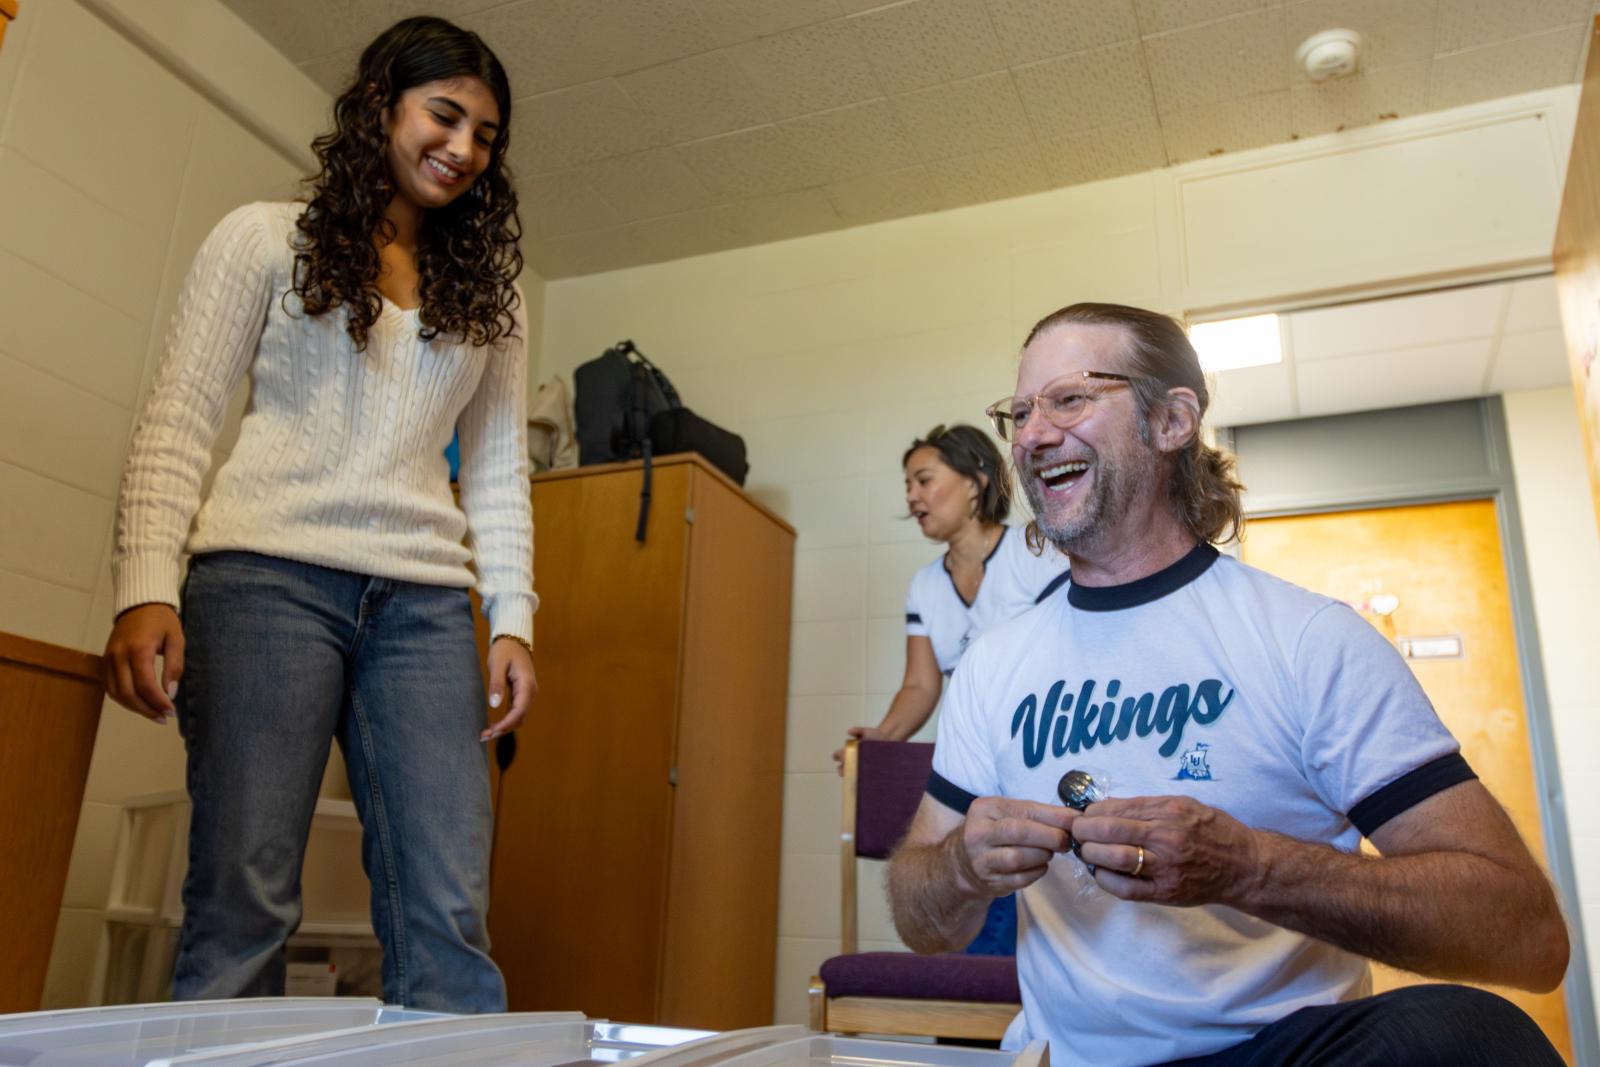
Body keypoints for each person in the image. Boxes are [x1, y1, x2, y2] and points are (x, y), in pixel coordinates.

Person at [885, 302, 1569, 1065]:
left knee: (1472, 1034)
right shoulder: (992, 666)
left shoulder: (1308, 640)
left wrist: (1251, 866)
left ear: (1172, 420)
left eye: (1069, 399)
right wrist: (960, 865)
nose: (1033, 435)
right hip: (1074, 1058)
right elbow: (920, 919)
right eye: (1019, 414)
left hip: (1280, 1050)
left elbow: (1528, 937)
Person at [101, 17, 533, 1012]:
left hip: (425, 604)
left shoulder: (492, 299)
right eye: (444, 115)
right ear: (381, 104)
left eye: (485, 135)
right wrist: (144, 584)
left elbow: (499, 471)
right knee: (243, 897)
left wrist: (513, 616)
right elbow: (178, 416)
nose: (463, 147)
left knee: (448, 903)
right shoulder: (262, 237)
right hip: (262, 580)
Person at [834, 424, 1066, 955]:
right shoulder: (925, 585)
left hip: (1037, 762)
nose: (912, 496)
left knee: (1026, 918)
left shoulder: (1036, 554)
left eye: (924, 480)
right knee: (965, 897)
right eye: (907, 485)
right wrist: (881, 738)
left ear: (975, 482)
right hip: (970, 765)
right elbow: (920, 684)